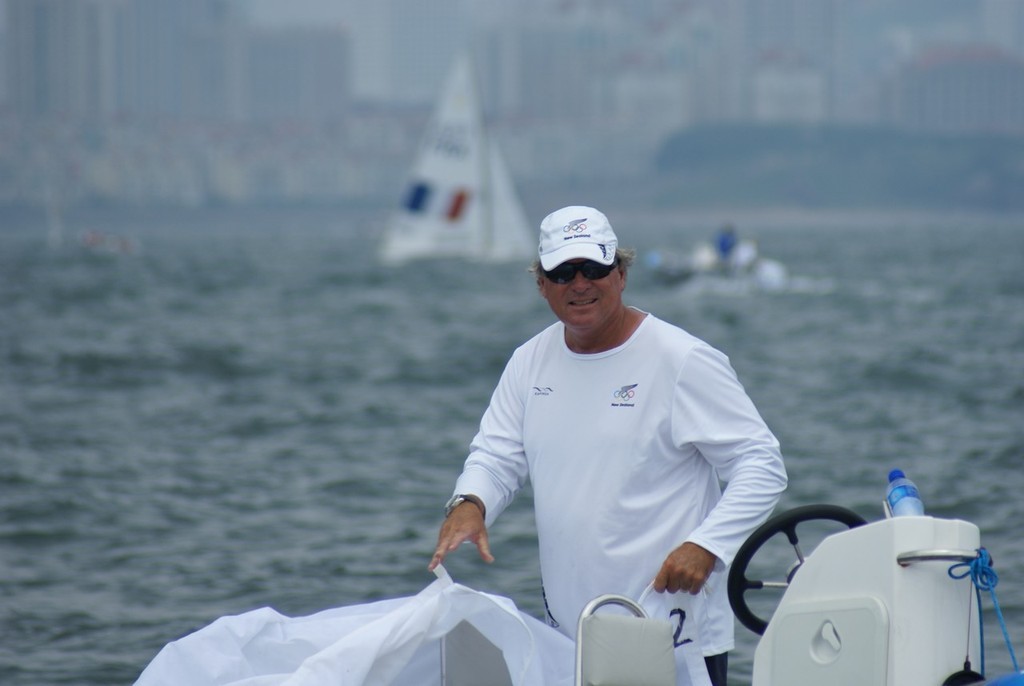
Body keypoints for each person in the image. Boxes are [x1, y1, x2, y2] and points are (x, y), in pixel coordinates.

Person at [429, 205, 787, 686]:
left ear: (621, 274)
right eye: (563, 272)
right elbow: (495, 458)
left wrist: (707, 545)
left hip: (672, 634)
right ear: (542, 284)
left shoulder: (682, 360)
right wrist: (470, 502)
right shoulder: (527, 362)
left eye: (595, 268)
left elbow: (761, 464)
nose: (580, 283)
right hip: (570, 636)